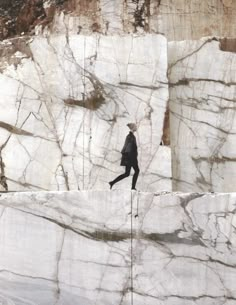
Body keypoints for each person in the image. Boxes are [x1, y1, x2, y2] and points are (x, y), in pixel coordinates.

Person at [109, 123, 140, 190]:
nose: (136, 127)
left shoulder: (131, 136)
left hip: (130, 157)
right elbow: (128, 148)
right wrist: (132, 158)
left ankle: (112, 182)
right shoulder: (130, 136)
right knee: (136, 171)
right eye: (135, 126)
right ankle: (133, 187)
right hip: (130, 158)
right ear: (132, 128)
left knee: (127, 173)